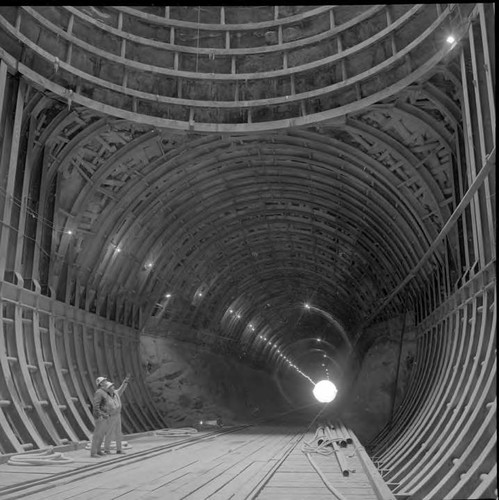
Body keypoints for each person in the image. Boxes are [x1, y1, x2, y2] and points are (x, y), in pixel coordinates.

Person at [102, 374, 130, 455]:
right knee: (109, 433)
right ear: (107, 389)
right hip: (111, 416)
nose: (113, 387)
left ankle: (119, 449)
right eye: (111, 386)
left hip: (118, 415)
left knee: (118, 432)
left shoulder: (116, 393)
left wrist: (125, 382)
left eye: (112, 386)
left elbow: (122, 388)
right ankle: (106, 450)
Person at [90, 376, 110, 458]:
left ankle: (98, 450)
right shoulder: (99, 392)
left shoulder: (104, 392)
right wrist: (99, 415)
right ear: (101, 383)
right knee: (97, 435)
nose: (106, 381)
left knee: (101, 435)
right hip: (100, 417)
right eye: (104, 381)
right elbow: (96, 405)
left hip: (104, 416)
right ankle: (93, 452)